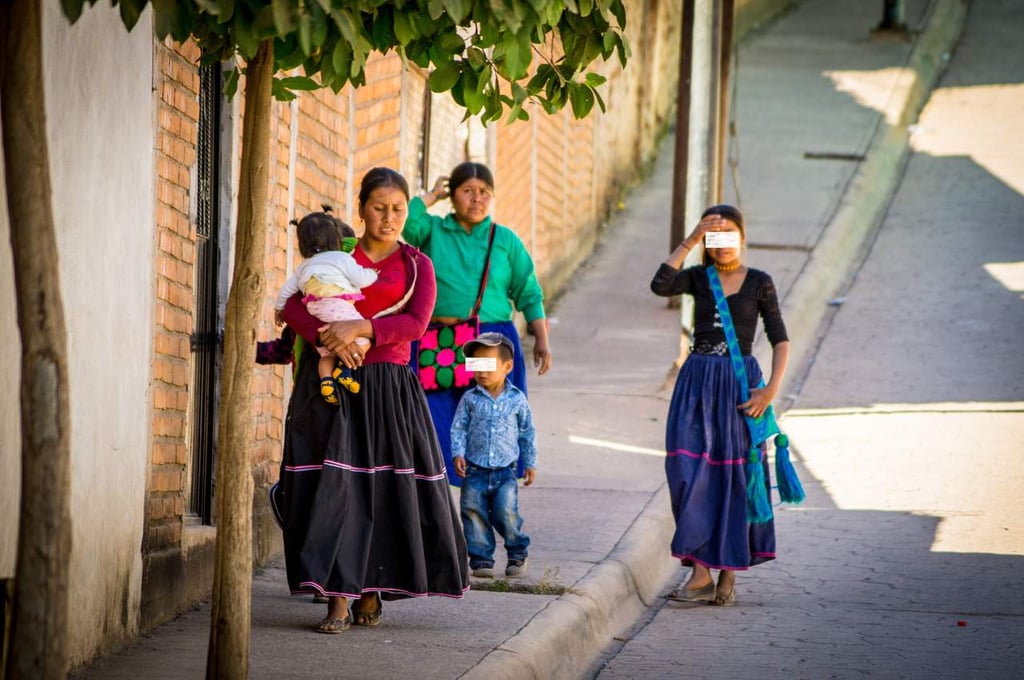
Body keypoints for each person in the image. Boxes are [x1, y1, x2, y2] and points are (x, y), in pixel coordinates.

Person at [278, 167, 469, 634]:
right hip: (329, 385)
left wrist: (359, 329)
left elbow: (416, 323)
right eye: (379, 208)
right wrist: (333, 338)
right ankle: (337, 598)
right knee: (334, 487)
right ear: (361, 208)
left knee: (377, 489)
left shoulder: (416, 265)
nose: (389, 218)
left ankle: (369, 588)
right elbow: (295, 305)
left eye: (398, 209)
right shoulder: (335, 254)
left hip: (386, 386)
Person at [649, 204, 790, 607]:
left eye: (729, 234)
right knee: (686, 472)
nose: (722, 244)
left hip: (738, 388)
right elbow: (661, 284)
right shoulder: (697, 278)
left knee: (733, 479)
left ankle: (725, 571)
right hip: (696, 384)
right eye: (715, 237)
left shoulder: (760, 282)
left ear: (743, 237)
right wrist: (691, 239)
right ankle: (700, 570)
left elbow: (780, 338)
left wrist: (770, 391)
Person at [406, 162, 552, 486]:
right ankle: (439, 485)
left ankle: (487, 494)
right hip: (441, 344)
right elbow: (408, 224)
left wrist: (541, 337)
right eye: (467, 191)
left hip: (489, 345)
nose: (476, 198)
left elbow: (528, 290)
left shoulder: (504, 240)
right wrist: (431, 196)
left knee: (489, 416)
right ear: (453, 196)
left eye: (484, 192)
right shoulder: (433, 231)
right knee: (434, 415)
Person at [450, 332, 537, 579]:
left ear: (508, 366)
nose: (482, 372)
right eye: (476, 365)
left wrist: (530, 463)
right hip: (475, 470)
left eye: (488, 365)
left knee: (505, 512)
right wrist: (458, 452)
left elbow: (527, 433)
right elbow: (458, 427)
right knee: (472, 512)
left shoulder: (517, 400)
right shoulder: (469, 399)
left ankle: (518, 552)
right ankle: (481, 559)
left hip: (505, 471)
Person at [273, 208, 377, 401]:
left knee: (326, 355)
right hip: (337, 307)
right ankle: (343, 370)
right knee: (365, 339)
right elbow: (361, 278)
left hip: (316, 310)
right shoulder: (342, 258)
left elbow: (286, 292)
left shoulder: (304, 266)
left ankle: (327, 380)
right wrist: (375, 274)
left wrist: (278, 309)